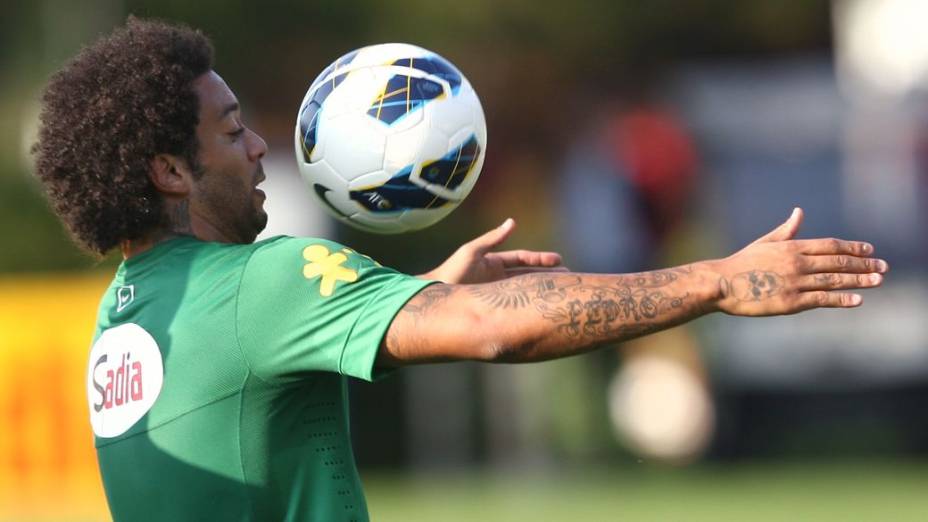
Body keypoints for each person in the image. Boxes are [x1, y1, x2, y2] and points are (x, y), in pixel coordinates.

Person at [33, 18, 888, 522]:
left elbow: (252, 398)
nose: (261, 145)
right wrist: (719, 281)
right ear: (169, 172)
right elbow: (494, 328)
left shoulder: (125, 317)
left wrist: (418, 295)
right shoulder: (263, 281)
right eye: (229, 132)